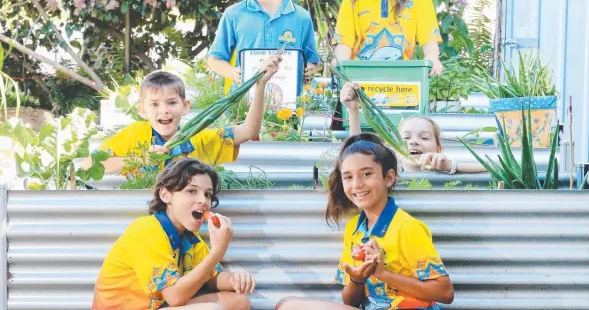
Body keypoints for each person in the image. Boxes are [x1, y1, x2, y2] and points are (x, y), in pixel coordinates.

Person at [275, 133, 454, 310]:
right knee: (286, 305)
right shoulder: (354, 229)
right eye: (348, 177)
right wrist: (357, 279)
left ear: (389, 178)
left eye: (367, 174)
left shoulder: (407, 227)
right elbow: (350, 302)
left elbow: (445, 293)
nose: (357, 184)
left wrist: (383, 274)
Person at [92, 158, 254, 310]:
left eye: (207, 194)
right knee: (211, 308)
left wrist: (235, 279)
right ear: (165, 195)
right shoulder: (147, 231)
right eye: (191, 191)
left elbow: (210, 278)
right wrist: (218, 251)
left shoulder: (189, 236)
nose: (203, 201)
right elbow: (175, 297)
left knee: (239, 302)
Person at [85, 55, 280, 174]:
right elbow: (89, 164)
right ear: (142, 110)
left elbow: (248, 131)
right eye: (154, 104)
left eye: (171, 103)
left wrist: (260, 84)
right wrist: (141, 158)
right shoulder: (134, 134)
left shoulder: (198, 137)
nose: (164, 110)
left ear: (185, 106)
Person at [207, 0, 321, 96]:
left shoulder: (301, 17)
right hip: (243, 107)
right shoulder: (233, 14)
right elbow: (215, 59)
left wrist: (309, 71)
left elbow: (313, 61)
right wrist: (233, 73)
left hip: (287, 111)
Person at [340, 82, 487, 174]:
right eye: (406, 137)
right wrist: (353, 111)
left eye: (424, 137)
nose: (414, 142)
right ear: (393, 150)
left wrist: (450, 166)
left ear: (438, 149)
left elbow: (493, 168)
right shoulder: (389, 174)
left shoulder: (444, 169)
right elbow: (357, 156)